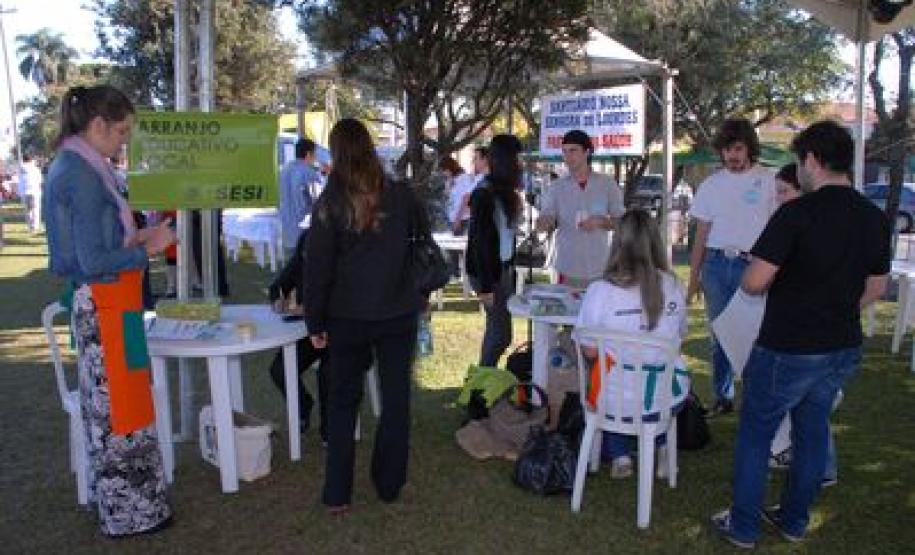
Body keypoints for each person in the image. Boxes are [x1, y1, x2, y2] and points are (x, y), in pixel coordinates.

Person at [712, 121, 891, 548]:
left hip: (788, 345)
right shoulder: (873, 217)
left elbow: (754, 282)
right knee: (812, 431)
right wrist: (838, 307)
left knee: (756, 433)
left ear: (812, 159)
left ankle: (743, 526)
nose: (799, 170)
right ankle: (794, 521)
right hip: (841, 345)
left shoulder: (797, 213)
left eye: (799, 161)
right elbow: (878, 287)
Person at [43, 84, 176, 537]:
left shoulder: (79, 163)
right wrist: (148, 248)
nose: (123, 142)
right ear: (97, 126)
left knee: (122, 407)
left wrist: (135, 240)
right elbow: (93, 261)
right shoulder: (80, 174)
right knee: (119, 411)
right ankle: (131, 514)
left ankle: (136, 508)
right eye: (120, 132)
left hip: (110, 306)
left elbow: (91, 249)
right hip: (105, 306)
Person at [305, 118, 423, 515]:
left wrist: (315, 323)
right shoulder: (400, 195)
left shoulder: (331, 201)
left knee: (342, 404)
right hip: (395, 312)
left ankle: (337, 492)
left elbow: (316, 269)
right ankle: (389, 484)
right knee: (395, 399)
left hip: (350, 316)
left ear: (336, 152)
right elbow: (419, 244)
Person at [575, 209, 689, 479]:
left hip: (612, 399)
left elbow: (589, 350)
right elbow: (679, 338)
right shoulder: (674, 285)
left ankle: (620, 454)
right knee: (642, 383)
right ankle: (659, 446)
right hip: (665, 396)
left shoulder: (599, 291)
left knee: (611, 378)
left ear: (617, 243)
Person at [687, 118, 777, 417]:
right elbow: (701, 233)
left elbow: (779, 230)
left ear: (749, 147)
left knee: (755, 333)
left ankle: (754, 396)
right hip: (715, 265)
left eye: (738, 149)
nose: (732, 156)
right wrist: (693, 277)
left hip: (752, 265)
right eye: (727, 150)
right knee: (720, 334)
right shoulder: (711, 184)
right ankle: (722, 396)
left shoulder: (768, 181)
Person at [536, 129, 625, 288]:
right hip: (567, 267)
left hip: (600, 267)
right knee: (568, 311)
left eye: (573, 150)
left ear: (587, 152)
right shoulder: (556, 187)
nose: (568, 156)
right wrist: (544, 222)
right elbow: (545, 219)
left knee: (598, 312)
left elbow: (622, 222)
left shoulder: (606, 184)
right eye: (564, 151)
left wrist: (602, 222)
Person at [466, 134, 523, 367]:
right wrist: (487, 286)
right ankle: (479, 387)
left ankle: (483, 382)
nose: (520, 164)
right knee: (499, 335)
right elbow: (481, 243)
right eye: (517, 158)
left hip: (502, 270)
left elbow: (503, 236)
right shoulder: (484, 193)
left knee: (501, 333)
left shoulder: (503, 192)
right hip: (489, 273)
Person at [268, 230, 328, 443]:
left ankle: (329, 430)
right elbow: (279, 284)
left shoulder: (346, 256)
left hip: (340, 330)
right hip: (311, 330)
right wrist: (278, 300)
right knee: (280, 369)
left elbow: (348, 299)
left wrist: (309, 309)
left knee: (328, 373)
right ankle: (303, 407)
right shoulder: (305, 247)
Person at [279, 138, 320, 257]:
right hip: (304, 228)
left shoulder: (283, 170)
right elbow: (318, 199)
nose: (315, 158)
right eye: (315, 154)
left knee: (290, 264)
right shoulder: (309, 172)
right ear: (308, 154)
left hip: (286, 225)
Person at [442, 156, 476, 235]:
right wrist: (449, 184)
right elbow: (448, 196)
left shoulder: (463, 179)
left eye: (445, 170)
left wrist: (458, 219)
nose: (444, 173)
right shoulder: (451, 180)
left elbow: (466, 199)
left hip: (462, 218)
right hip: (453, 217)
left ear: (449, 168)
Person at [19, 154, 43, 233]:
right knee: (35, 209)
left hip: (24, 191)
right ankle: (35, 226)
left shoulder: (20, 169)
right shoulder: (35, 168)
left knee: (28, 210)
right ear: (31, 159)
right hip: (35, 190)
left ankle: (30, 227)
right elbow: (40, 180)